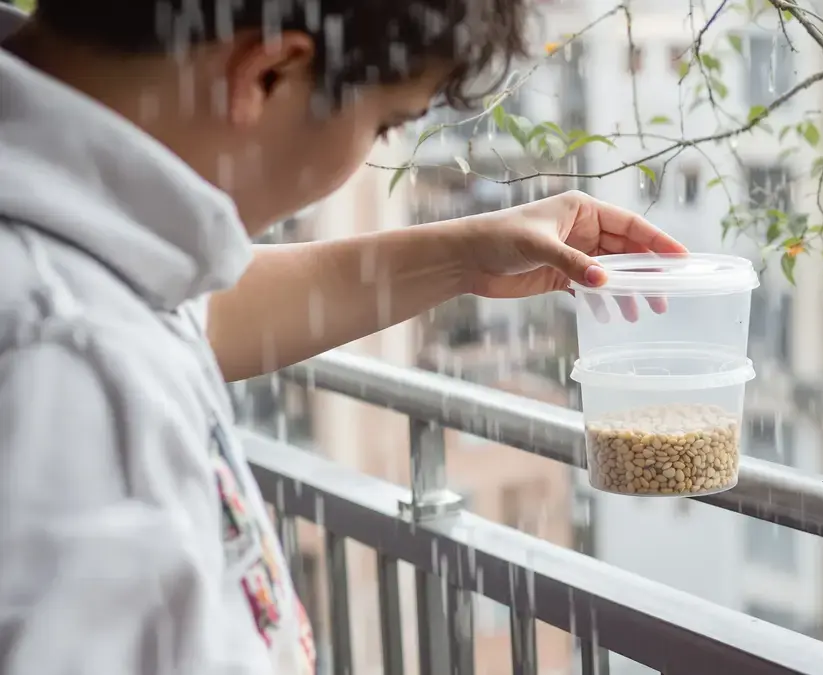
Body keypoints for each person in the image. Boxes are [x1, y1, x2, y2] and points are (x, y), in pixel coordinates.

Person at [0, 1, 686, 673]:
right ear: (268, 74)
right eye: (385, 123)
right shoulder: (67, 367)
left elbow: (197, 316)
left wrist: (464, 256)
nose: (370, 150)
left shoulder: (83, 248)